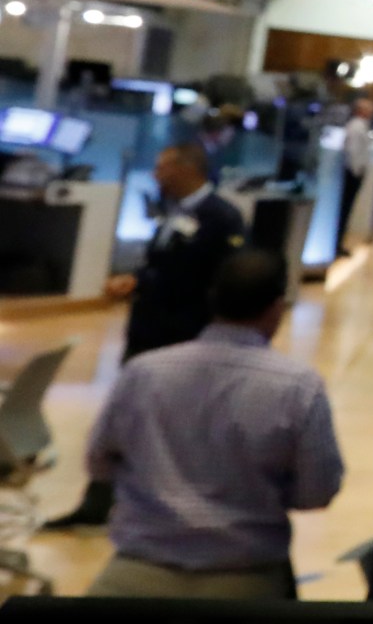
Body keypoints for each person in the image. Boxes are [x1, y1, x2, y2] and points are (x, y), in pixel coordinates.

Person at [83, 248, 343, 598]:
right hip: (248, 581)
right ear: (277, 308)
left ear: (211, 299)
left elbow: (98, 463)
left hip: (136, 575)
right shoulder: (298, 386)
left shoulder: (144, 371)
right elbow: (317, 491)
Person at [43, 142, 251, 530]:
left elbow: (217, 283)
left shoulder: (221, 219)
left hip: (182, 341)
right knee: (125, 418)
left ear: (187, 169)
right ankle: (98, 503)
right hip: (147, 334)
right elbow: (164, 265)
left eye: (162, 168)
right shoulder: (175, 213)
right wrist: (137, 281)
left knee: (174, 430)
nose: (156, 176)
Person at [338, 96, 373, 252]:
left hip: (354, 172)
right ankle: (337, 243)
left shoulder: (361, 126)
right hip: (352, 173)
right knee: (344, 209)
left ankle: (339, 241)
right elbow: (353, 152)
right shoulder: (356, 127)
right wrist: (357, 172)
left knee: (347, 209)